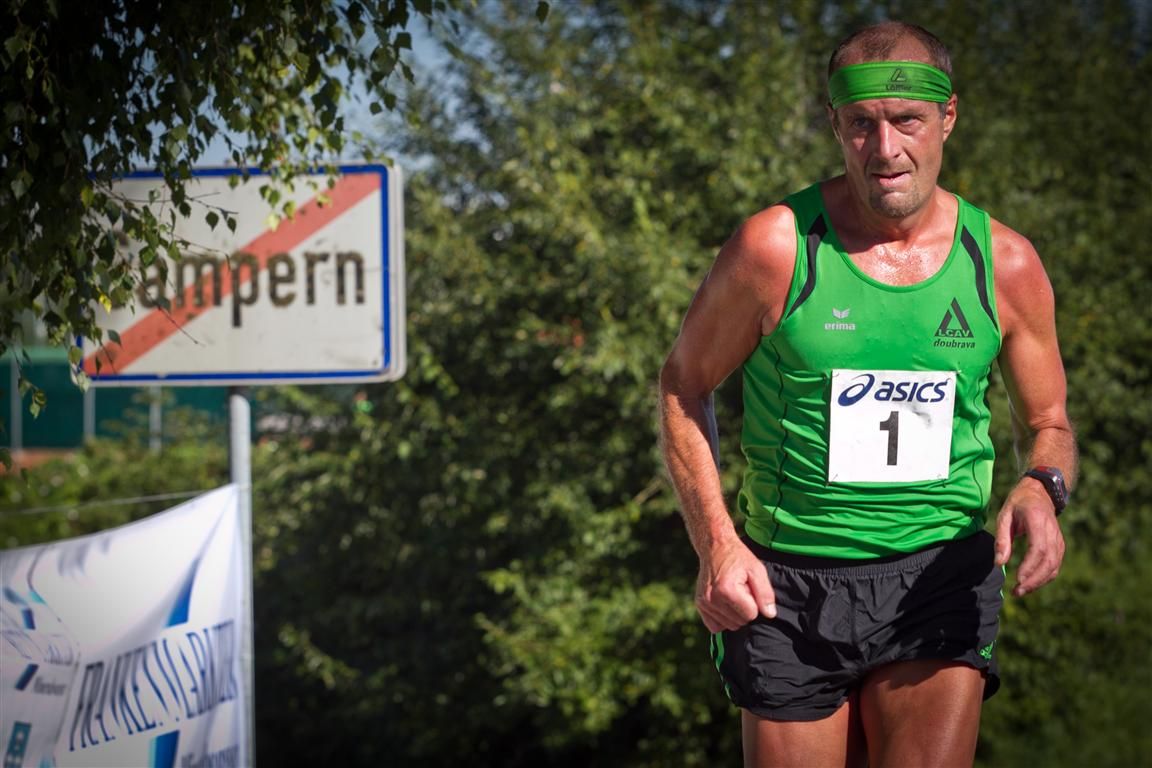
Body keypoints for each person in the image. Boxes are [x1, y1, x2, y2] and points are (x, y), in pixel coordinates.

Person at [658, 20, 1077, 768]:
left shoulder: (1003, 263)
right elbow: (683, 385)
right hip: (788, 583)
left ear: (947, 116)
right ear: (836, 125)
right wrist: (716, 543)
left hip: (938, 572)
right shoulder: (777, 248)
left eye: (907, 121)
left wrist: (1041, 487)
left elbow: (1050, 422)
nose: (885, 150)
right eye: (861, 125)